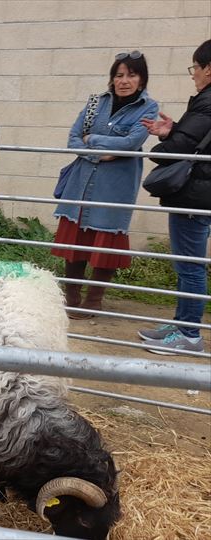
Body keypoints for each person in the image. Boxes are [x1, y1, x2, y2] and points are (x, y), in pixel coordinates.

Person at [51, 51, 159, 320]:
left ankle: (94, 300)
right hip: (82, 182)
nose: (124, 80)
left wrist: (93, 140)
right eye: (119, 75)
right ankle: (72, 298)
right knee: (75, 241)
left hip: (116, 186)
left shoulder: (149, 108)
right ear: (112, 79)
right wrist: (98, 151)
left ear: (142, 80)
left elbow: (132, 143)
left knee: (106, 242)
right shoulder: (94, 104)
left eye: (131, 75)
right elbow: (74, 138)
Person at [137, 39, 211, 355]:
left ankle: (190, 335)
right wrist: (173, 131)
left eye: (195, 66)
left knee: (190, 266)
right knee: (186, 264)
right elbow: (197, 139)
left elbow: (182, 148)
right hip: (196, 194)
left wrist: (162, 146)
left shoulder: (208, 101)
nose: (193, 73)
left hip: (196, 196)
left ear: (209, 68)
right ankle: (182, 324)